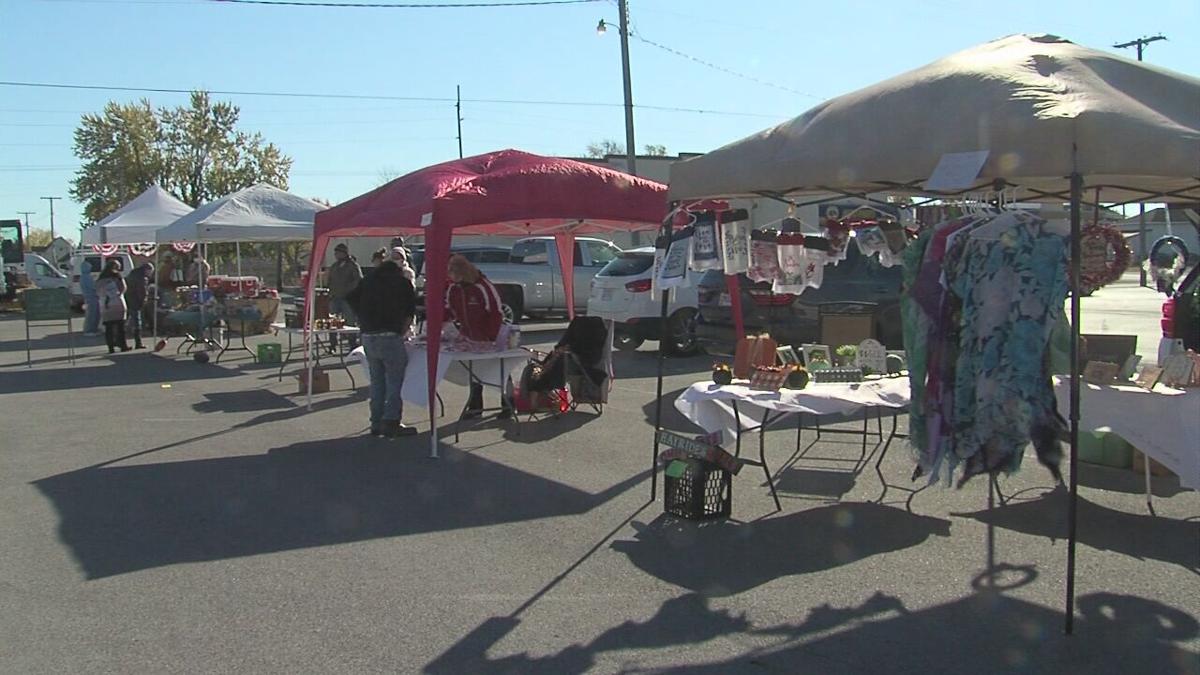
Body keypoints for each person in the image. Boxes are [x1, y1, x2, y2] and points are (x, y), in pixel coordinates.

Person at [346, 254, 418, 438]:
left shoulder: (369, 280)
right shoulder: (403, 284)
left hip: (369, 335)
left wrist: (362, 316)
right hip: (390, 335)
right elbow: (411, 312)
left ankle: (375, 422)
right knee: (394, 381)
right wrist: (401, 328)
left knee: (377, 381)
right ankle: (391, 421)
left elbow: (350, 297)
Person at [444, 254, 510, 418]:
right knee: (474, 372)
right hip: (469, 336)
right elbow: (449, 309)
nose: (451, 276)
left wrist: (490, 337)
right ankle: (475, 406)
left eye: (453, 272)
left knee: (501, 370)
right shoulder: (454, 289)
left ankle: (508, 404)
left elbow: (496, 312)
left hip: (490, 338)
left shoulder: (482, 286)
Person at [327, 243, 363, 351]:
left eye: (339, 252)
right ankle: (333, 344)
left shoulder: (352, 265)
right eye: (335, 253)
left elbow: (358, 280)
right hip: (335, 297)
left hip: (348, 298)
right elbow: (330, 280)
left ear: (344, 253)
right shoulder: (334, 266)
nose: (336, 255)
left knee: (350, 321)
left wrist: (349, 289)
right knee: (332, 322)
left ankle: (352, 343)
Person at [96, 259, 130, 353]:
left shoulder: (101, 278)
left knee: (108, 328)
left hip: (105, 305)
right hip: (118, 304)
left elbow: (98, 291)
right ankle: (123, 345)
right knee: (120, 327)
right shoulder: (118, 277)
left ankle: (111, 347)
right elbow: (123, 288)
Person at [125, 262, 155, 349]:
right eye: (151, 271)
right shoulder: (142, 278)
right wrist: (144, 300)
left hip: (128, 299)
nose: (151, 274)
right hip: (136, 301)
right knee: (137, 322)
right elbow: (142, 291)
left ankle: (120, 341)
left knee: (126, 320)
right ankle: (138, 343)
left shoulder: (132, 274)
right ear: (147, 270)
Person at [79, 260, 101, 336]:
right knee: (92, 314)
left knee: (93, 314)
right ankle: (89, 330)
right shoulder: (87, 277)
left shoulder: (83, 277)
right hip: (91, 298)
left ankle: (93, 329)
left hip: (90, 298)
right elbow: (93, 287)